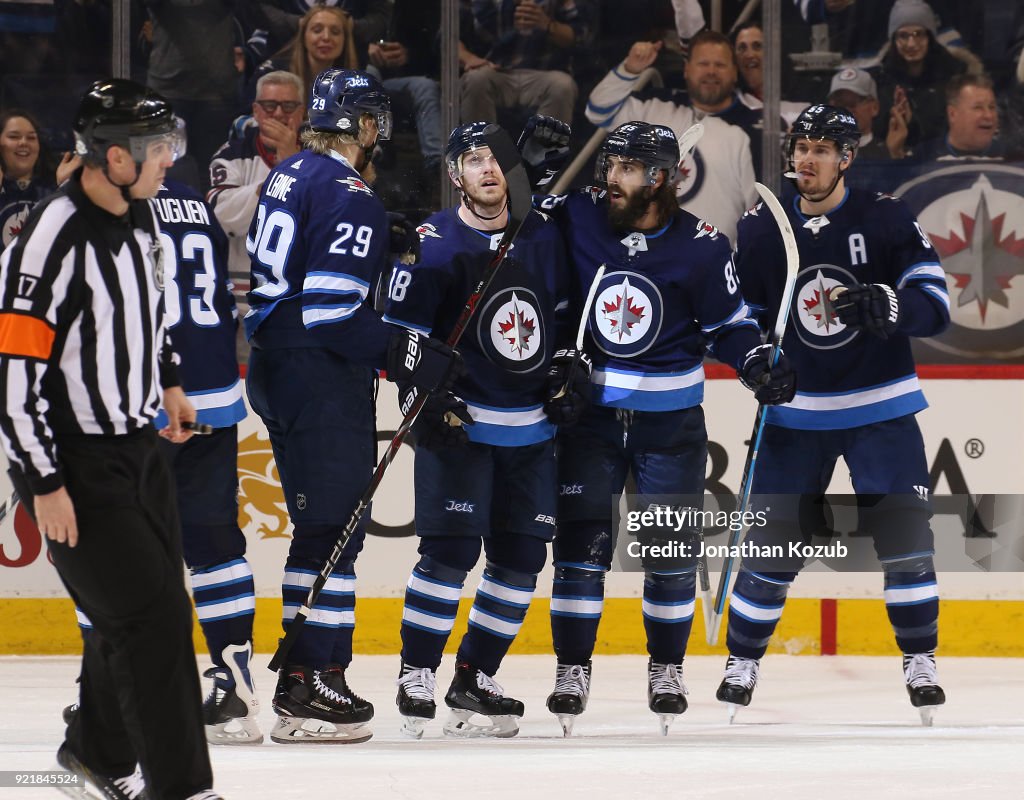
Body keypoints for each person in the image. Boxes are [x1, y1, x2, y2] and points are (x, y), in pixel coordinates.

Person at [532, 120, 795, 735]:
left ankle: (666, 669)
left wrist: (755, 361)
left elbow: (729, 325)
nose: (609, 178)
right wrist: (535, 171)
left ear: (659, 178)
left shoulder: (704, 246)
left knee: (670, 557)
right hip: (590, 421)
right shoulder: (581, 216)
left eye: (624, 168)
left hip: (670, 425)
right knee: (578, 554)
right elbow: (523, 223)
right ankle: (572, 669)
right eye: (609, 166)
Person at [0, 79, 222, 798]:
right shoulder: (47, 238)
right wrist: (44, 484)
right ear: (113, 157)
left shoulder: (142, 217)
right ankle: (182, 788)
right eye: (158, 149)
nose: (169, 161)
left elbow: (150, 311)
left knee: (130, 609)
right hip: (73, 464)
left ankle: (96, 751)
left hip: (139, 451)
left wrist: (170, 381)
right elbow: (12, 376)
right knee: (156, 619)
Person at [244, 67, 462, 744]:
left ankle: (314, 671)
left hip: (273, 366)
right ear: (366, 125)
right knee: (333, 529)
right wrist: (414, 355)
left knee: (325, 525)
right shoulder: (350, 195)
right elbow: (334, 316)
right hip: (318, 375)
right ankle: (310, 677)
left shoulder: (290, 172)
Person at [718, 105, 950, 726]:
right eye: (800, 147)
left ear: (847, 157)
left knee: (905, 541)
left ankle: (920, 659)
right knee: (769, 548)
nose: (807, 159)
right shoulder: (763, 229)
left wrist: (895, 306)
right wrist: (756, 361)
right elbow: (740, 321)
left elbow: (936, 299)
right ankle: (743, 661)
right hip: (795, 415)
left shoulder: (886, 215)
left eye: (823, 149)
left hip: (881, 407)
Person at [382, 121, 574, 739]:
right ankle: (417, 671)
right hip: (461, 424)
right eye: (472, 160)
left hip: (532, 430)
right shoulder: (433, 241)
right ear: (454, 174)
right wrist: (422, 399)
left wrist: (572, 372)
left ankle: (475, 675)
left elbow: (566, 319)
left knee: (520, 558)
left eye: (496, 159)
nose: (488, 170)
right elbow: (403, 338)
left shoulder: (541, 234)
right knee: (450, 554)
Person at [585, 36, 757, 240]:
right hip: (648, 254)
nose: (711, 71)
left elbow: (757, 212)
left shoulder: (754, 129)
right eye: (703, 63)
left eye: (719, 64)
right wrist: (630, 69)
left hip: (715, 261)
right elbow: (598, 111)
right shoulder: (655, 105)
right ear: (687, 69)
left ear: (734, 72)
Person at [208, 70, 305, 334]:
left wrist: (291, 162)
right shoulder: (232, 154)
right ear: (256, 111)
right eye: (269, 106)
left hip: (300, 305)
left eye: (288, 106)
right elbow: (220, 217)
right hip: (242, 306)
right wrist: (280, 178)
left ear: (302, 111)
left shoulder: (319, 157)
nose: (278, 114)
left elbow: (321, 218)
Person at [459, 0, 595, 125]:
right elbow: (449, 36)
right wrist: (469, 58)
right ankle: (480, 149)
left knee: (562, 85)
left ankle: (544, 151)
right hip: (496, 70)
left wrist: (547, 25)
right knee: (475, 78)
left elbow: (581, 36)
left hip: (544, 74)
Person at [873, 0, 969, 157]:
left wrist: (913, 122)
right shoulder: (881, 80)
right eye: (903, 36)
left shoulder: (955, 76)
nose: (911, 44)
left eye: (918, 34)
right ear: (894, 40)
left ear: (930, 37)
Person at [250, 5, 359, 109]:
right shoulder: (271, 73)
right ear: (303, 36)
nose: (326, 37)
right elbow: (243, 119)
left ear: (345, 40)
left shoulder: (357, 82)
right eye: (317, 30)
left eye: (335, 32)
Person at [0, 108, 77, 254]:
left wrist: (69, 189)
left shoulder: (55, 187)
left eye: (31, 138)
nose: (23, 143)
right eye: (14, 136)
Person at [915, 73, 1001, 160]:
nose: (988, 115)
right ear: (952, 114)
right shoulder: (924, 155)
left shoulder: (1010, 155)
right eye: (978, 107)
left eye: (992, 107)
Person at [826, 67, 894, 160]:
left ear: (874, 107)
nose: (847, 111)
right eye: (840, 103)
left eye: (854, 102)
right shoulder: (818, 155)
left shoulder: (889, 153)